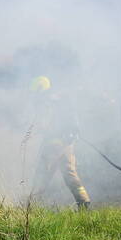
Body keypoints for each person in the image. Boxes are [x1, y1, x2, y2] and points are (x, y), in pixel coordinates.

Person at [29, 75, 91, 210]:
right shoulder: (60, 99)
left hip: (54, 143)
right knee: (69, 172)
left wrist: (33, 129)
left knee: (42, 173)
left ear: (40, 88)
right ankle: (83, 201)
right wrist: (73, 132)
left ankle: (30, 206)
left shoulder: (46, 101)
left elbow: (43, 123)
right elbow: (72, 117)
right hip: (67, 144)